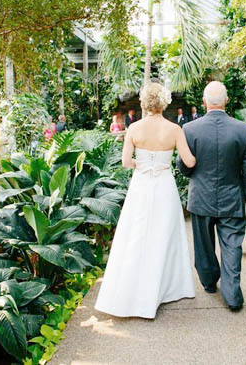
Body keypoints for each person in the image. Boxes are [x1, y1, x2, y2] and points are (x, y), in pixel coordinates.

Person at [95, 82, 197, 318]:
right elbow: (189, 162)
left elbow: (125, 162)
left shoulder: (134, 129)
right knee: (164, 234)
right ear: (164, 103)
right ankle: (165, 286)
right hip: (164, 186)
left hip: (141, 185)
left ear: (144, 103)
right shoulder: (174, 130)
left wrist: (142, 165)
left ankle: (132, 287)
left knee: (136, 234)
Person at [177, 81, 246, 312]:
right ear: (226, 101)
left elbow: (183, 167)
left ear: (204, 102)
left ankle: (209, 283)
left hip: (201, 197)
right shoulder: (243, 129)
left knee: (204, 245)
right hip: (232, 197)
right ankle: (232, 296)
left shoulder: (190, 130)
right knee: (232, 246)